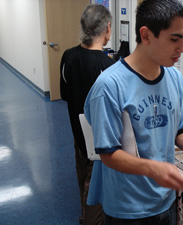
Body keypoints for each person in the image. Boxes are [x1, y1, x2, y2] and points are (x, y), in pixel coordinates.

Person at [84, 0, 183, 224]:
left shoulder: (173, 77)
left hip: (164, 198)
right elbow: (108, 154)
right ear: (146, 35)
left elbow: (181, 132)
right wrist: (155, 169)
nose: (182, 48)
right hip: (127, 205)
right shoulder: (110, 85)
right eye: (175, 39)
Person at [60, 4, 115, 225]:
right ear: (107, 28)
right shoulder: (109, 67)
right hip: (99, 136)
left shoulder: (68, 56)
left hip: (77, 128)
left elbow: (65, 94)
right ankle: (89, 219)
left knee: (82, 171)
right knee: (95, 184)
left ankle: (85, 212)